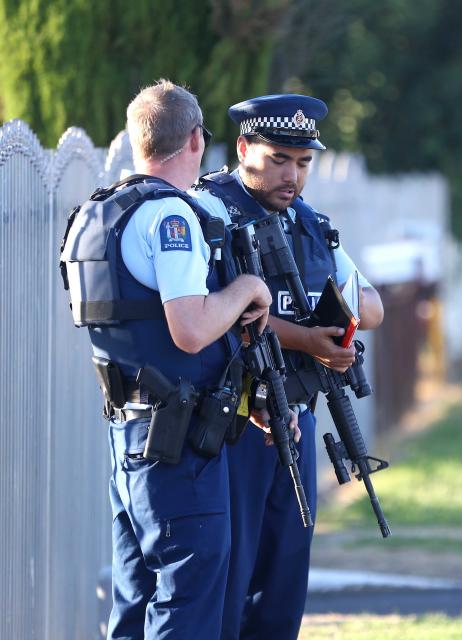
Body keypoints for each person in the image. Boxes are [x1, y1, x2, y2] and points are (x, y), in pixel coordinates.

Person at [59, 80, 273, 638]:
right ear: (197, 141)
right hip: (180, 447)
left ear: (136, 141)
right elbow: (192, 329)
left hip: (130, 437)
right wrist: (247, 286)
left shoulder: (98, 214)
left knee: (134, 606)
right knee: (187, 601)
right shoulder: (170, 220)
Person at [191, 93, 384, 639]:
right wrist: (306, 335)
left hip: (295, 414)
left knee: (284, 582)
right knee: (230, 582)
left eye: (303, 163)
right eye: (278, 159)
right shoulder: (207, 211)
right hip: (231, 423)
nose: (292, 176)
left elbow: (370, 304)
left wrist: (333, 330)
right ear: (244, 147)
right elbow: (207, 312)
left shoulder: (306, 221)